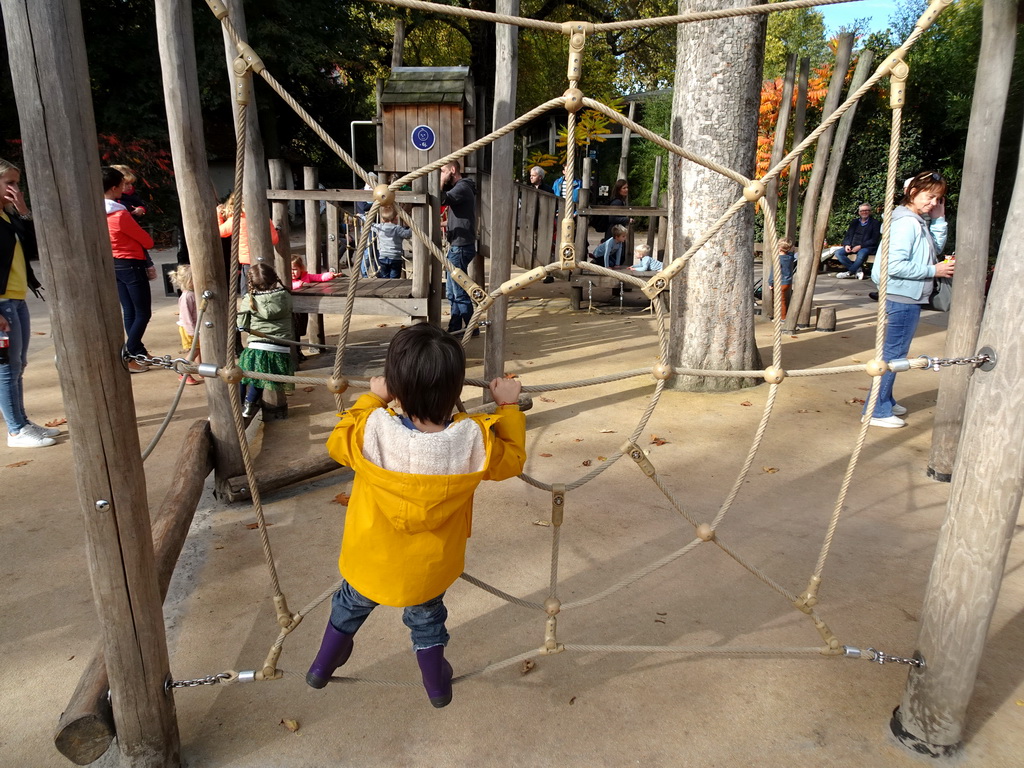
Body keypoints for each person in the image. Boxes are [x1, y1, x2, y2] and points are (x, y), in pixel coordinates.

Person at [307, 322, 527, 707]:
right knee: (426, 619)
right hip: (429, 566)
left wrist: (372, 400)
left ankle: (324, 664)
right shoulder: (473, 439)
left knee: (348, 602)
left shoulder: (369, 430)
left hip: (370, 557)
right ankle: (436, 684)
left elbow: (335, 443)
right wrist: (507, 406)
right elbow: (513, 461)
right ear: (456, 389)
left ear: (394, 384)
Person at [867, 170, 954, 428]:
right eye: (930, 196)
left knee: (895, 352)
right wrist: (933, 271)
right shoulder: (906, 222)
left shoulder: (917, 220)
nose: (933, 203)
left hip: (906, 295)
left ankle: (886, 399)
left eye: (938, 199)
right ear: (912, 192)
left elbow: (933, 249)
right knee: (893, 354)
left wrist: (939, 220)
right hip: (901, 296)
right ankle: (876, 410)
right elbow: (894, 265)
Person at [1, 159, 59, 448]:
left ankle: (22, 422)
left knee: (18, 364)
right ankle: (15, 430)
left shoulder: (7, 215)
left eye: (16, 182)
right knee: (6, 368)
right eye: (9, 183)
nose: (15, 189)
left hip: (17, 296)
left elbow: (34, 247)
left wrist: (23, 211)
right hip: (2, 304)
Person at [104, 166, 156, 373]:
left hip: (114, 262)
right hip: (131, 263)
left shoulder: (96, 212)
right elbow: (147, 241)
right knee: (143, 312)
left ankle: (137, 351)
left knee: (130, 310)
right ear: (115, 187)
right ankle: (130, 351)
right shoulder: (119, 214)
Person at [237, 262, 293, 419]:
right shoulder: (286, 295)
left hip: (258, 345)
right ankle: (249, 403)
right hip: (281, 348)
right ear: (274, 279)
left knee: (241, 375)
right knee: (260, 376)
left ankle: (239, 402)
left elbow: (242, 325)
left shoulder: (250, 299)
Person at [440, 160, 477, 334]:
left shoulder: (461, 187)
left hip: (460, 247)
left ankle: (471, 327)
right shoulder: (464, 188)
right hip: (458, 245)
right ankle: (455, 327)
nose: (441, 175)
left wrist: (440, 181)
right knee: (452, 292)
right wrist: (446, 223)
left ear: (452, 170)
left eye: (443, 171)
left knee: (459, 292)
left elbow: (442, 198)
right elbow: (462, 216)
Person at [217, 192, 280, 294]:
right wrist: (276, 231)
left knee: (247, 290)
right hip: (264, 259)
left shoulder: (236, 219)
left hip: (247, 261)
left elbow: (220, 232)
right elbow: (274, 240)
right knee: (265, 288)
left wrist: (218, 215)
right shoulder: (264, 218)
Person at [291, 255, 335, 352]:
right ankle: (296, 351)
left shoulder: (305, 276)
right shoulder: (288, 280)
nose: (292, 273)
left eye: (294, 269)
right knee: (294, 331)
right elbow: (288, 285)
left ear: (301, 269)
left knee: (300, 330)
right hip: (293, 310)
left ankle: (298, 350)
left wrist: (330, 275)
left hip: (303, 308)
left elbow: (318, 277)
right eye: (290, 270)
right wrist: (299, 284)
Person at [169, 265, 202, 386]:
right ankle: (184, 373)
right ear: (189, 281)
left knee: (200, 349)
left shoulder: (193, 293)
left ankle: (200, 369)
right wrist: (193, 332)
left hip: (196, 328)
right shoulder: (187, 296)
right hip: (189, 329)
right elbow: (186, 316)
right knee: (195, 351)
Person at [831, 203, 881, 280]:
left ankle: (849, 272)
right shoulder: (854, 222)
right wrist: (847, 244)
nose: (864, 212)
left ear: (870, 212)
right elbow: (847, 235)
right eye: (862, 211)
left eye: (867, 210)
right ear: (859, 212)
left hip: (866, 247)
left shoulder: (875, 223)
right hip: (852, 245)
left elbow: (874, 239)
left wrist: (860, 246)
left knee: (861, 254)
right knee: (838, 253)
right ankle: (857, 270)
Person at [371, 205, 412, 279]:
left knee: (384, 278)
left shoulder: (379, 227)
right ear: (396, 219)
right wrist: (412, 227)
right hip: (395, 258)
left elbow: (370, 225)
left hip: (383, 257)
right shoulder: (397, 229)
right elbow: (407, 234)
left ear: (383, 219)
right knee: (394, 278)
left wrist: (362, 217)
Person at [766, 238, 796, 320]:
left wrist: (770, 283)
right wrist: (792, 250)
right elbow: (791, 253)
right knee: (782, 299)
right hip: (788, 282)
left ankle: (782, 317)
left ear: (778, 248)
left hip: (780, 283)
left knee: (780, 301)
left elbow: (773, 272)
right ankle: (781, 316)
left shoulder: (778, 259)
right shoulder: (789, 257)